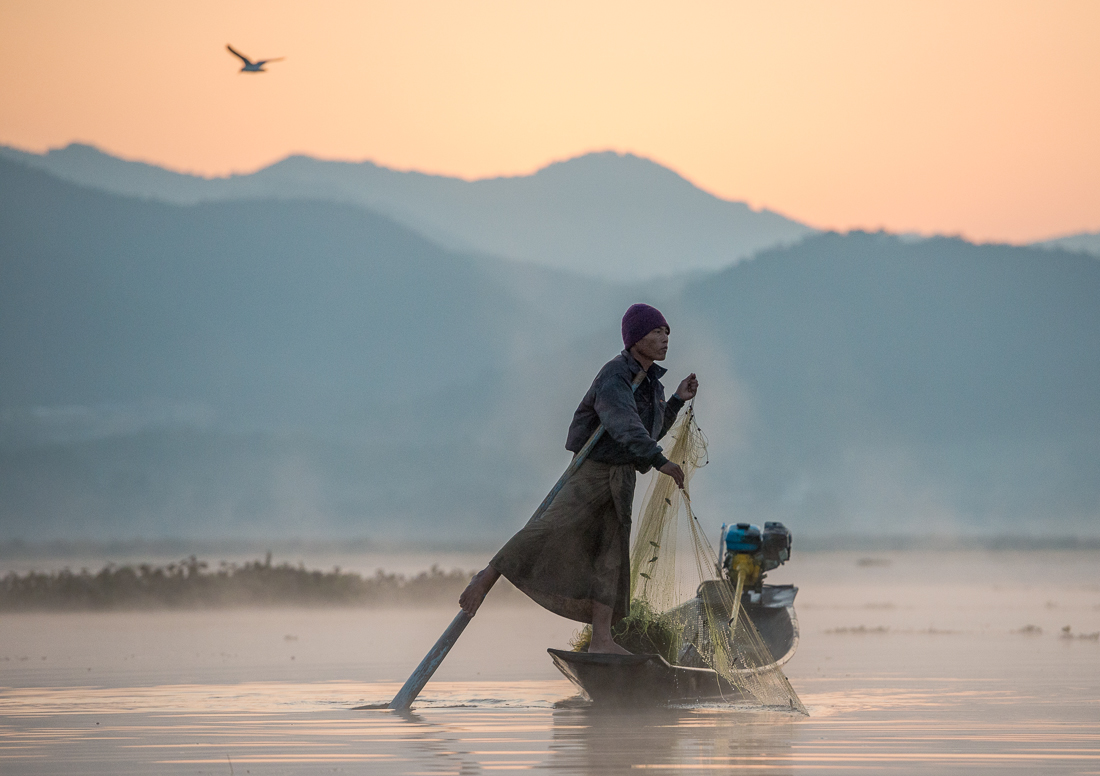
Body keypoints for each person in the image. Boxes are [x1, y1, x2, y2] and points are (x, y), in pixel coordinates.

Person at [459, 303, 699, 654]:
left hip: (623, 478)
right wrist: (659, 461)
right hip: (594, 470)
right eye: (657, 332)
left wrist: (676, 400)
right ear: (635, 340)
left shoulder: (652, 385)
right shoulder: (615, 376)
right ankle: (486, 578)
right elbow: (622, 425)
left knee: (611, 555)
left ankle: (602, 640)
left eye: (667, 332)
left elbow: (650, 430)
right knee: (549, 528)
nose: (665, 339)